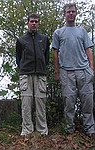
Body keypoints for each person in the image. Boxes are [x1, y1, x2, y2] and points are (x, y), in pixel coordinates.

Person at [52, 3, 95, 136]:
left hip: (83, 71)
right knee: (69, 102)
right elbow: (55, 53)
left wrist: (91, 68)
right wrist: (57, 72)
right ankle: (69, 129)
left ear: (76, 13)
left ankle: (90, 129)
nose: (70, 14)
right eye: (68, 12)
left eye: (73, 12)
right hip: (66, 72)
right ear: (64, 14)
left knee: (87, 101)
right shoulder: (58, 33)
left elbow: (88, 49)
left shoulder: (82, 31)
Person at [16, 13, 50, 136]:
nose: (34, 23)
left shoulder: (44, 39)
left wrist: (41, 67)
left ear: (38, 23)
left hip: (40, 74)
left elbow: (46, 57)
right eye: (32, 21)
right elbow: (18, 58)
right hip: (25, 74)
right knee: (26, 102)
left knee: (41, 102)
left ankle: (42, 131)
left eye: (36, 21)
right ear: (28, 23)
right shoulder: (21, 40)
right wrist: (25, 68)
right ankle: (27, 130)